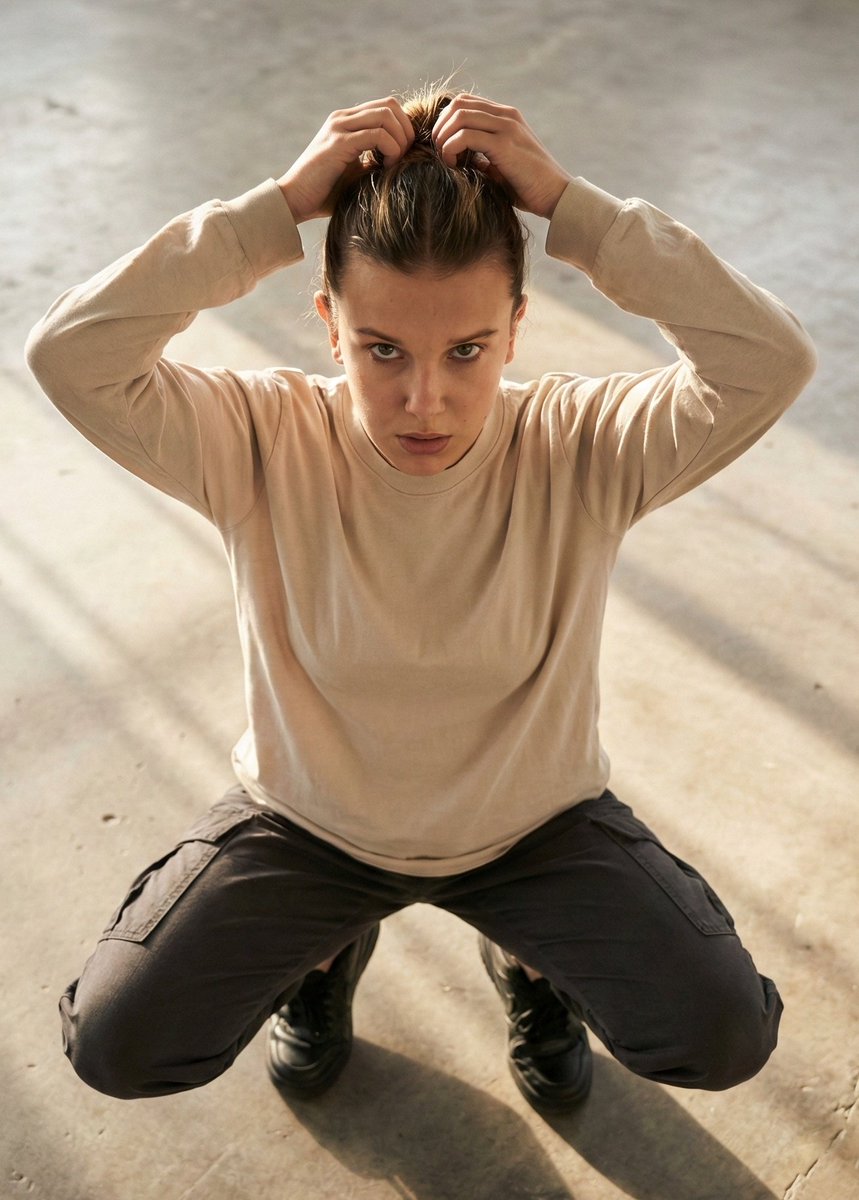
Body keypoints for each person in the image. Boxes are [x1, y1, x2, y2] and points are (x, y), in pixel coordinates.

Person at [26, 88, 816, 1114]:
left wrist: (574, 208)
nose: (423, 401)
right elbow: (67, 354)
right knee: (117, 1043)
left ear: (517, 329)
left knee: (721, 1036)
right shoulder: (260, 439)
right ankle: (320, 954)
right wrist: (275, 210)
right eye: (382, 349)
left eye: (467, 351)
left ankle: (530, 962)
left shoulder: (581, 445)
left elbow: (771, 361)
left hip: (534, 829)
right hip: (308, 825)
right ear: (329, 325)